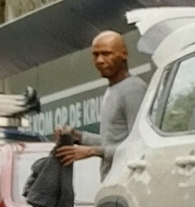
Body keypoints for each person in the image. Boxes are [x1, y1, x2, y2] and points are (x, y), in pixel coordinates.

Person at [54, 32, 143, 172]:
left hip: (129, 181)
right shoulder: (113, 89)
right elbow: (112, 141)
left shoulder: (133, 90)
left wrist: (93, 151)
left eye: (106, 54)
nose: (100, 60)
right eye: (95, 55)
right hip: (113, 181)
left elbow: (139, 146)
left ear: (124, 54)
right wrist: (78, 136)